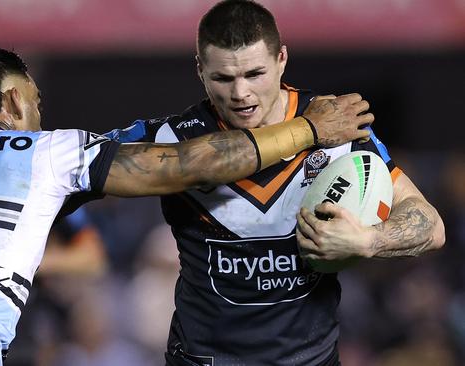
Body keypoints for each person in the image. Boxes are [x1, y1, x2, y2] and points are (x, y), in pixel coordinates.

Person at [0, 45, 369, 366]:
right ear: (15, 100)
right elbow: (189, 165)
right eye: (37, 102)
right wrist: (308, 129)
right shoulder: (42, 151)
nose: (41, 115)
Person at [105, 1, 445, 365]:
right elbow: (83, 164)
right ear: (199, 70)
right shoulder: (172, 139)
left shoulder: (338, 125)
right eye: (223, 78)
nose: (240, 94)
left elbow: (431, 225)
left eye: (255, 74)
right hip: (204, 359)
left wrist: (369, 240)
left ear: (282, 58)